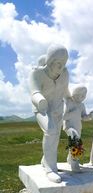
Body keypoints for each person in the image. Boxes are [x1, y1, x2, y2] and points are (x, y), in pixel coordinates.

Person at [30, 44, 70, 183]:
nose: (61, 67)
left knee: (56, 136)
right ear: (50, 60)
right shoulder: (37, 74)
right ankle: (50, 169)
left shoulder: (65, 73)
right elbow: (34, 92)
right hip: (42, 109)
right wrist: (40, 101)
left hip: (58, 109)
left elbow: (65, 91)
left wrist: (73, 99)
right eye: (58, 63)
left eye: (64, 64)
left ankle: (45, 160)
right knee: (51, 130)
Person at [63, 86, 93, 170]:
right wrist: (73, 113)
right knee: (75, 140)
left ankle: (70, 159)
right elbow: (63, 117)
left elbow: (83, 117)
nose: (83, 98)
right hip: (69, 126)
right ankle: (74, 163)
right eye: (82, 95)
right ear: (76, 94)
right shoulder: (69, 102)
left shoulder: (82, 105)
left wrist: (89, 116)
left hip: (78, 127)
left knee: (75, 142)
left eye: (85, 96)